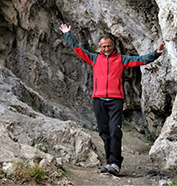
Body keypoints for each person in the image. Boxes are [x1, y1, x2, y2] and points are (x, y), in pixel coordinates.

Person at [59, 23, 165, 177]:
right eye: (103, 47)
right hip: (99, 100)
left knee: (115, 130)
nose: (106, 49)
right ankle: (109, 162)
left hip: (115, 100)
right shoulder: (94, 59)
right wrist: (68, 34)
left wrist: (156, 53)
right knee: (104, 132)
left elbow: (141, 60)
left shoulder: (121, 59)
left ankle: (115, 163)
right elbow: (78, 50)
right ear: (99, 47)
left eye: (108, 46)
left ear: (113, 46)